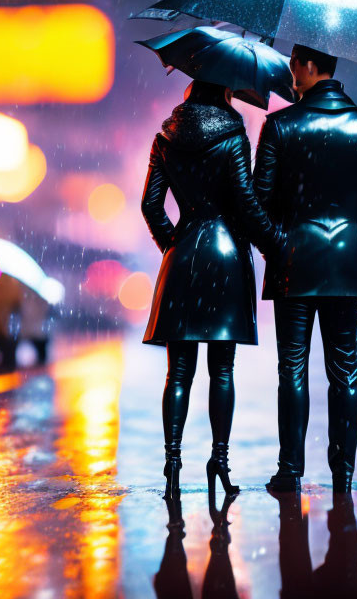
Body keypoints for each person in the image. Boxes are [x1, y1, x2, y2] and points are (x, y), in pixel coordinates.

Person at [253, 44, 357, 493]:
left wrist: (278, 245)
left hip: (293, 265)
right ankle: (344, 472)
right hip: (348, 267)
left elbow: (258, 201)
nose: (290, 72)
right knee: (345, 371)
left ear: (310, 66)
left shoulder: (279, 126)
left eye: (294, 64)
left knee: (291, 370)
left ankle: (290, 471)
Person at [142, 80, 284, 499]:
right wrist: (275, 243)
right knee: (222, 370)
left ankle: (172, 463)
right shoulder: (234, 134)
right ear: (225, 88)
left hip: (182, 256)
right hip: (226, 259)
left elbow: (151, 205)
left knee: (178, 373)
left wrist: (174, 244)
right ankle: (218, 462)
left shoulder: (164, 137)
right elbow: (245, 202)